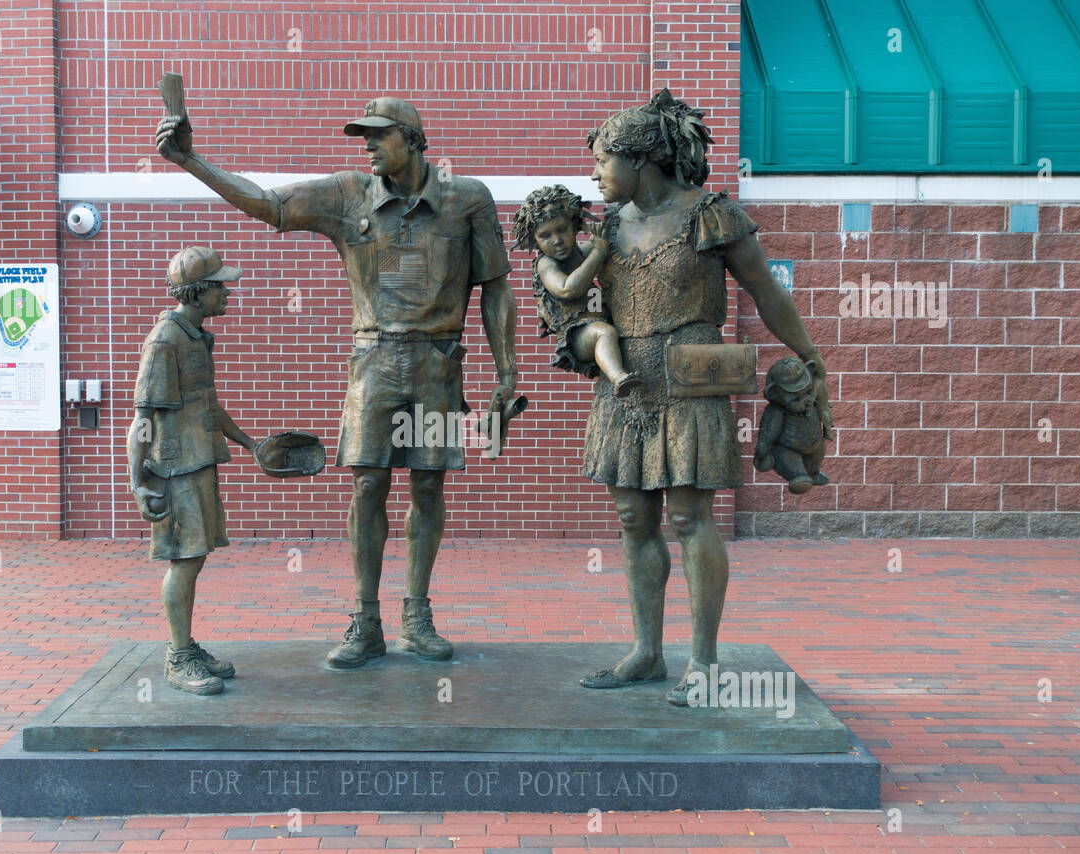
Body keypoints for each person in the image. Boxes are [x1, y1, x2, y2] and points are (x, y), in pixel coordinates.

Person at [156, 96, 519, 669]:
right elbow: (268, 205)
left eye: (378, 136)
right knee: (367, 486)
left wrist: (507, 371)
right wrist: (191, 160)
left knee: (428, 486)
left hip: (437, 364)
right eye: (363, 137)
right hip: (373, 362)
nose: (367, 146)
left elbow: (496, 286)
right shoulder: (348, 194)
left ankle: (417, 615)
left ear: (412, 138)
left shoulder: (465, 198)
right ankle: (365, 619)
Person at [575, 90, 834, 704]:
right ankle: (646, 651)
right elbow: (580, 305)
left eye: (602, 161)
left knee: (690, 518)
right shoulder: (607, 227)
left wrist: (808, 352)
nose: (593, 174)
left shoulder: (710, 216)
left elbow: (767, 293)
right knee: (634, 518)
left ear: (640, 160)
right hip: (628, 383)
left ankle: (705, 662)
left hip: (691, 379)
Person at [127, 246, 268, 695]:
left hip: (198, 461)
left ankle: (186, 645)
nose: (228, 292)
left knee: (196, 556)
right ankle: (178, 656)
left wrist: (250, 444)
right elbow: (142, 419)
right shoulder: (165, 341)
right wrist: (137, 484)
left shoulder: (195, 336)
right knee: (184, 560)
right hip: (175, 469)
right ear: (199, 292)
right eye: (220, 285)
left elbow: (207, 406)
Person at [512, 184, 639, 395]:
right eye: (545, 236)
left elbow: (604, 240)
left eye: (562, 230)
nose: (557, 241)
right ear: (534, 239)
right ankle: (619, 378)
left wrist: (618, 216)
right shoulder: (546, 265)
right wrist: (599, 251)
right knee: (604, 333)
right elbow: (567, 289)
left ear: (574, 226)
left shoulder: (579, 253)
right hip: (578, 333)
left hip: (599, 319)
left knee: (607, 329)